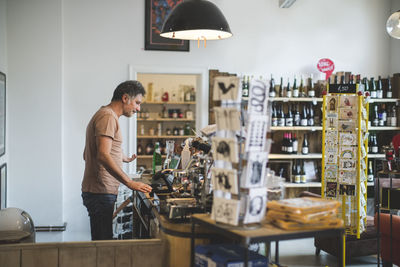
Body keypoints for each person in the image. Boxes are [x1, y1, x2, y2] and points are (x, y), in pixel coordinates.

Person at [81, 80, 152, 240]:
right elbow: (102, 155)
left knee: (102, 242)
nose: (138, 108)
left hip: (99, 191)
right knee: (103, 246)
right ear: (125, 98)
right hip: (100, 191)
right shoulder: (108, 117)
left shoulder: (106, 115)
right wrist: (129, 182)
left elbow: (90, 152)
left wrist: (122, 157)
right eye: (137, 103)